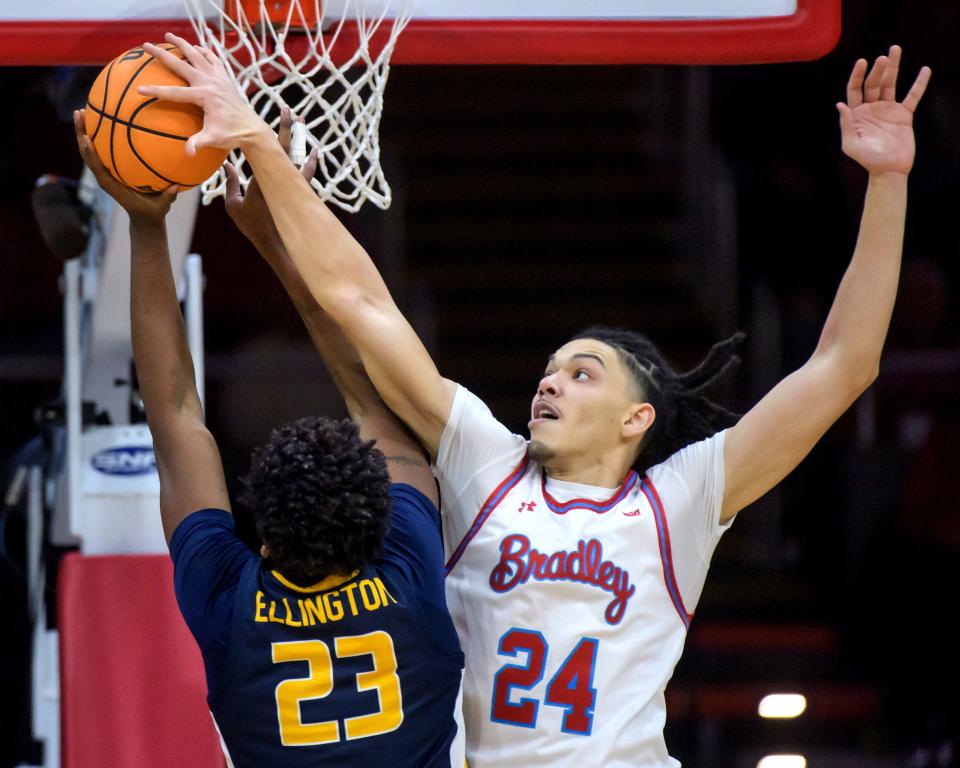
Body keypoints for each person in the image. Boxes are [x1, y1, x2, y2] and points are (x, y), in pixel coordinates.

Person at [139, 37, 930, 766]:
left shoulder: (679, 500)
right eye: (550, 369)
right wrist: (267, 164)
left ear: (637, 418)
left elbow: (841, 366)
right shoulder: (487, 461)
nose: (550, 380)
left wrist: (887, 183)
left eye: (583, 372)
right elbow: (363, 306)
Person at [73, 109, 466, 768]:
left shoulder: (237, 605)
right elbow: (371, 400)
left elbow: (173, 411)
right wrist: (261, 241)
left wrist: (147, 226)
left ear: (266, 537)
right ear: (377, 520)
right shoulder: (411, 572)